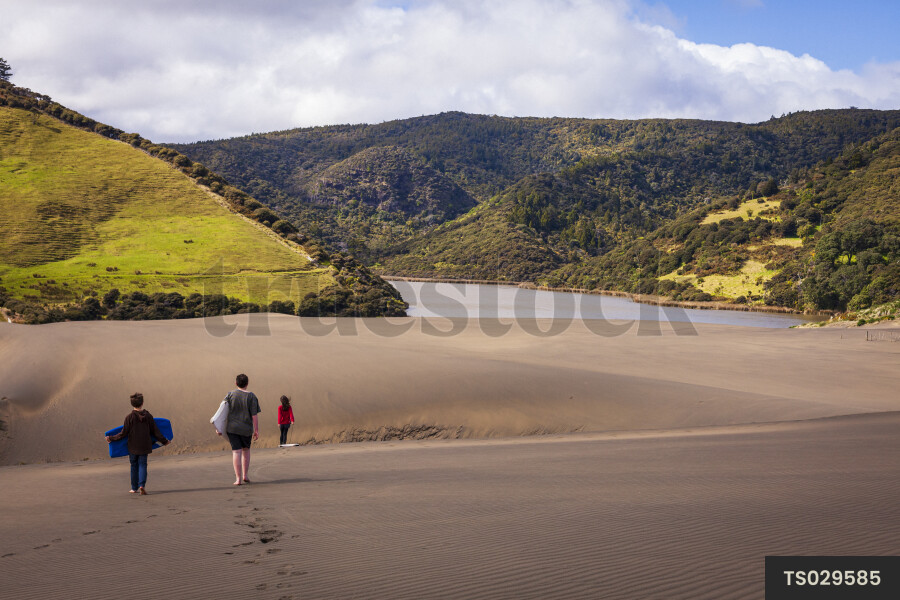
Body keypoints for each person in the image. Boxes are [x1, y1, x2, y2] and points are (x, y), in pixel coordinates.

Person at [105, 393, 169, 495]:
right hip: (144, 446)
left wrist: (111, 438)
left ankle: (134, 488)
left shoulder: (129, 417)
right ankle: (142, 486)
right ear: (142, 403)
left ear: (132, 404)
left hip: (133, 447)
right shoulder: (148, 416)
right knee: (143, 465)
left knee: (134, 466)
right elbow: (156, 432)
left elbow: (123, 433)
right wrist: (165, 441)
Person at [219, 373, 260, 485]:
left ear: (236, 383)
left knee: (236, 452)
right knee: (246, 451)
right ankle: (245, 475)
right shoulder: (252, 396)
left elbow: (221, 411)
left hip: (232, 428)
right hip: (246, 429)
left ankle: (238, 479)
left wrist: (218, 427)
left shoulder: (230, 394)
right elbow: (254, 415)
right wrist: (256, 430)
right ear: (247, 383)